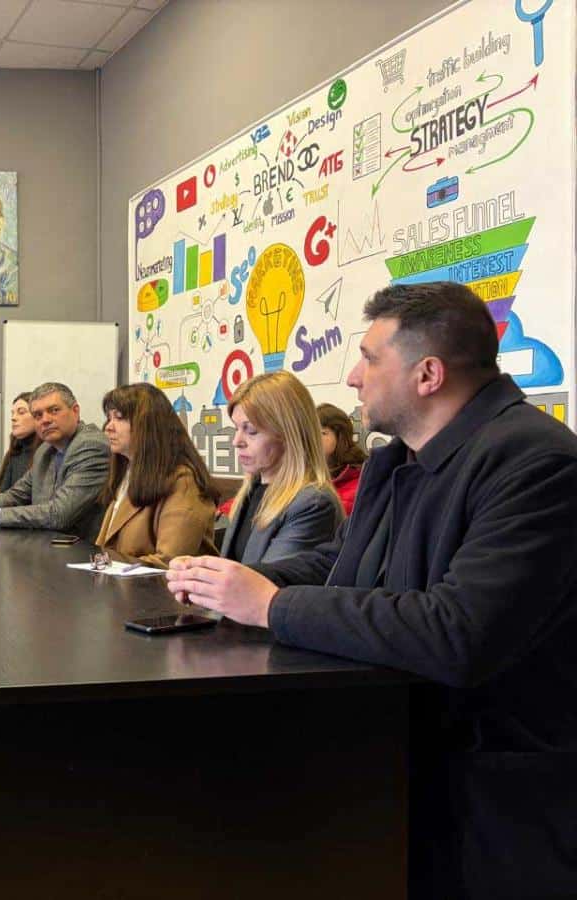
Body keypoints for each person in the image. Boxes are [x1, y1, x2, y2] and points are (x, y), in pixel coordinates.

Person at [165, 281, 577, 898]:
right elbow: (343, 562)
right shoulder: (399, 460)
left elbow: (459, 632)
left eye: (368, 358)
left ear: (428, 374)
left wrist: (272, 605)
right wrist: (231, 584)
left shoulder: (536, 462)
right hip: (395, 766)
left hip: (496, 805)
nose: (354, 378)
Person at [0, 382, 110, 541]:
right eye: (38, 415)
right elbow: (16, 495)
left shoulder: (91, 446)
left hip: (80, 550)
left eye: (54, 410)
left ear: (75, 411)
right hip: (46, 544)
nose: (45, 420)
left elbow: (59, 514)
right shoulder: (45, 450)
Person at [218, 370, 341, 564]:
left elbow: (269, 579)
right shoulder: (251, 490)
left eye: (251, 431)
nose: (236, 441)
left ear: (288, 433)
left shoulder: (312, 504)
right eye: (236, 428)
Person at [95, 383, 217, 567]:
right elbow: (104, 548)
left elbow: (169, 562)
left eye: (119, 418)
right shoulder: (128, 472)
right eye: (109, 418)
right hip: (121, 581)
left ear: (148, 425)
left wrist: (106, 567)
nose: (108, 427)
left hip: (157, 585)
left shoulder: (183, 482)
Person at [317, 402, 367, 515]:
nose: (314, 439)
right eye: (311, 433)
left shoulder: (358, 483)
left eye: (322, 433)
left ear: (340, 436)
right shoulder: (305, 476)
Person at [0, 391, 40, 492]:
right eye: (13, 413)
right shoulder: (14, 453)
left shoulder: (47, 453)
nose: (13, 418)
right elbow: (4, 494)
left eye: (21, 412)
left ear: (37, 416)